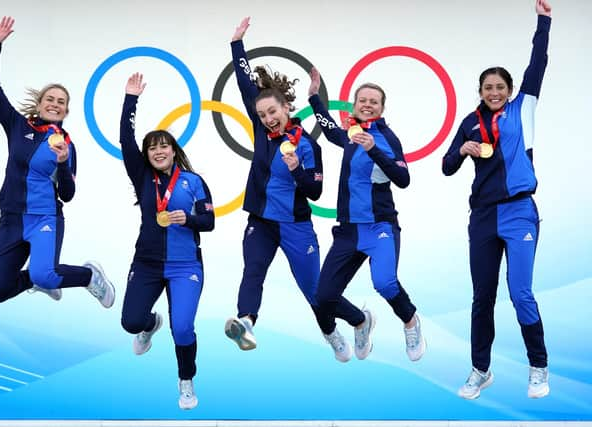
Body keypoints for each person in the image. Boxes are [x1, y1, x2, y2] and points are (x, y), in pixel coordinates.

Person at [224, 17, 373, 362]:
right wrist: (236, 44)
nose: (267, 118)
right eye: (261, 115)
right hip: (261, 221)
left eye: (272, 112)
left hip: (295, 226)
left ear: (286, 108)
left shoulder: (307, 146)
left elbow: (315, 192)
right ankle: (246, 321)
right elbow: (247, 85)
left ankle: (358, 320)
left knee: (317, 294)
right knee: (253, 270)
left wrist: (297, 172)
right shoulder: (262, 132)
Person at [442, 0, 552, 400]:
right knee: (482, 296)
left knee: (520, 292)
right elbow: (446, 166)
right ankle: (480, 370)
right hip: (483, 217)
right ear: (481, 92)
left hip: (520, 212)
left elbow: (537, 63)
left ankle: (538, 366)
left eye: (500, 87)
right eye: (487, 87)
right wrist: (463, 151)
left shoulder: (524, 108)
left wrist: (544, 22)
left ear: (509, 90)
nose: (494, 92)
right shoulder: (470, 122)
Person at [0, 16, 115, 309]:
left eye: (61, 102)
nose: (55, 104)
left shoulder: (66, 144)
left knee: (47, 274)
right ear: (40, 103)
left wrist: (64, 164)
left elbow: (67, 195)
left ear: (66, 111)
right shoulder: (18, 126)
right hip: (11, 219)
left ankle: (88, 276)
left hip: (44, 218)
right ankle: (36, 280)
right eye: (50, 99)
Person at [307, 66, 426, 363]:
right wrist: (314, 99)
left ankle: (411, 322)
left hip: (379, 226)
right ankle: (361, 321)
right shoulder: (351, 133)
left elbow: (403, 179)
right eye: (363, 100)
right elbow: (330, 128)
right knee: (323, 297)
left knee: (385, 283)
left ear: (382, 108)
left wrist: (374, 150)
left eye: (374, 101)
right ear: (355, 105)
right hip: (348, 231)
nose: (368, 104)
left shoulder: (386, 137)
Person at [119, 73, 215, 410]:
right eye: (153, 147)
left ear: (174, 151)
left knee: (184, 328)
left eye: (164, 145)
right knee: (131, 322)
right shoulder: (142, 176)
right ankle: (150, 323)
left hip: (185, 266)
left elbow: (210, 222)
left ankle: (186, 379)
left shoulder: (193, 181)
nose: (158, 151)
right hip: (146, 264)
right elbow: (125, 141)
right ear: (147, 155)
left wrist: (187, 218)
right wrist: (130, 99)